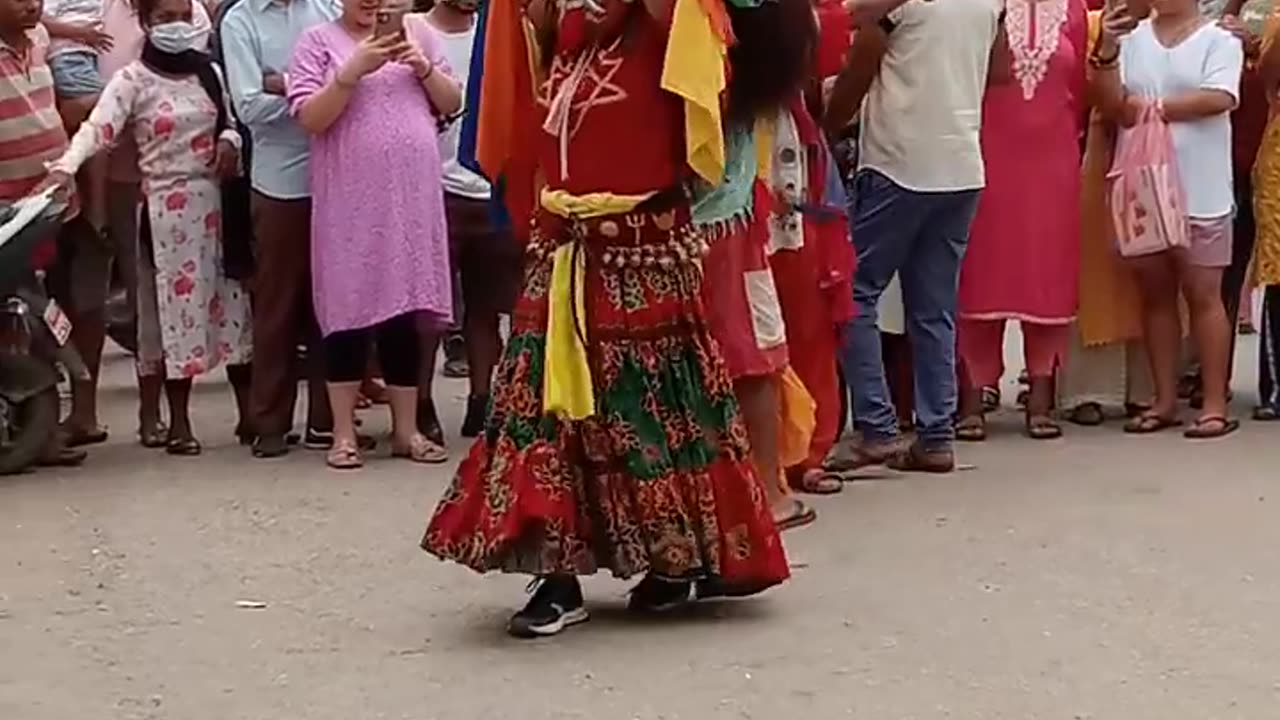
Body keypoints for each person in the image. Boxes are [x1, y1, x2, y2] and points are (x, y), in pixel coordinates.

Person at [422, 0, 791, 638]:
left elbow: (707, 86)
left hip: (641, 252)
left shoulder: (671, 20)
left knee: (648, 411)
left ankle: (675, 560)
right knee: (549, 413)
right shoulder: (570, 29)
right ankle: (558, 576)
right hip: (563, 250)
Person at [42, 0, 254, 455]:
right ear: (146, 23)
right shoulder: (132, 80)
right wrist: (66, 166)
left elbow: (232, 122)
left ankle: (248, 415)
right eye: (164, 19)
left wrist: (229, 142)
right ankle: (174, 421)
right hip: (161, 209)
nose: (176, 27)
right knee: (166, 316)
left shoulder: (209, 73)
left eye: (182, 17)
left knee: (230, 305)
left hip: (215, 206)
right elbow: (97, 129)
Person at [826, 0, 1007, 473]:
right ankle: (935, 435)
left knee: (857, 292)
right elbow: (1001, 67)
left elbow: (861, 62)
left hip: (898, 160)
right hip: (961, 163)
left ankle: (878, 427)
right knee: (934, 306)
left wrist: (826, 126)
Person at [288, 0, 461, 469]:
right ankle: (343, 433)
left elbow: (453, 103)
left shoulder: (420, 36)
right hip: (349, 202)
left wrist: (422, 67)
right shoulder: (317, 42)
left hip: (410, 203)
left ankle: (406, 431)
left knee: (404, 310)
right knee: (348, 308)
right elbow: (310, 118)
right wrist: (350, 73)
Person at [1093, 0, 1243, 438]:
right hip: (1142, 189)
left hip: (1203, 189)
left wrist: (1151, 108)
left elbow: (1220, 97)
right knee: (1155, 294)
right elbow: (1110, 103)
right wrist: (1105, 48)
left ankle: (1214, 402)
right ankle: (1164, 400)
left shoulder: (1219, 39)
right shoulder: (1131, 40)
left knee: (1204, 294)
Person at [955, 0, 1088, 441]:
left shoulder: (1073, 9)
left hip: (1053, 161)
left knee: (1046, 272)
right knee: (979, 271)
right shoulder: (980, 5)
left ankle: (1041, 398)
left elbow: (1082, 90)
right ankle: (972, 397)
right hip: (986, 154)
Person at [221, 0, 340, 458]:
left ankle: (327, 421)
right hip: (280, 184)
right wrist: (316, 93)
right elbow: (249, 105)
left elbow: (355, 79)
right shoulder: (241, 20)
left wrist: (286, 84)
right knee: (277, 305)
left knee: (333, 305)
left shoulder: (328, 8)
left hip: (337, 174)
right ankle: (269, 421)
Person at [422, 0, 522, 439]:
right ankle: (420, 403)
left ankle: (483, 400)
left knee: (488, 307)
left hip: (491, 188)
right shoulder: (414, 31)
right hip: (433, 190)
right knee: (429, 311)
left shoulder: (497, 32)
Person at [0, 0, 86, 467]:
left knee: (41, 314)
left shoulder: (40, 39)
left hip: (50, 208)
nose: (31, 4)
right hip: (5, 214)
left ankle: (46, 428)